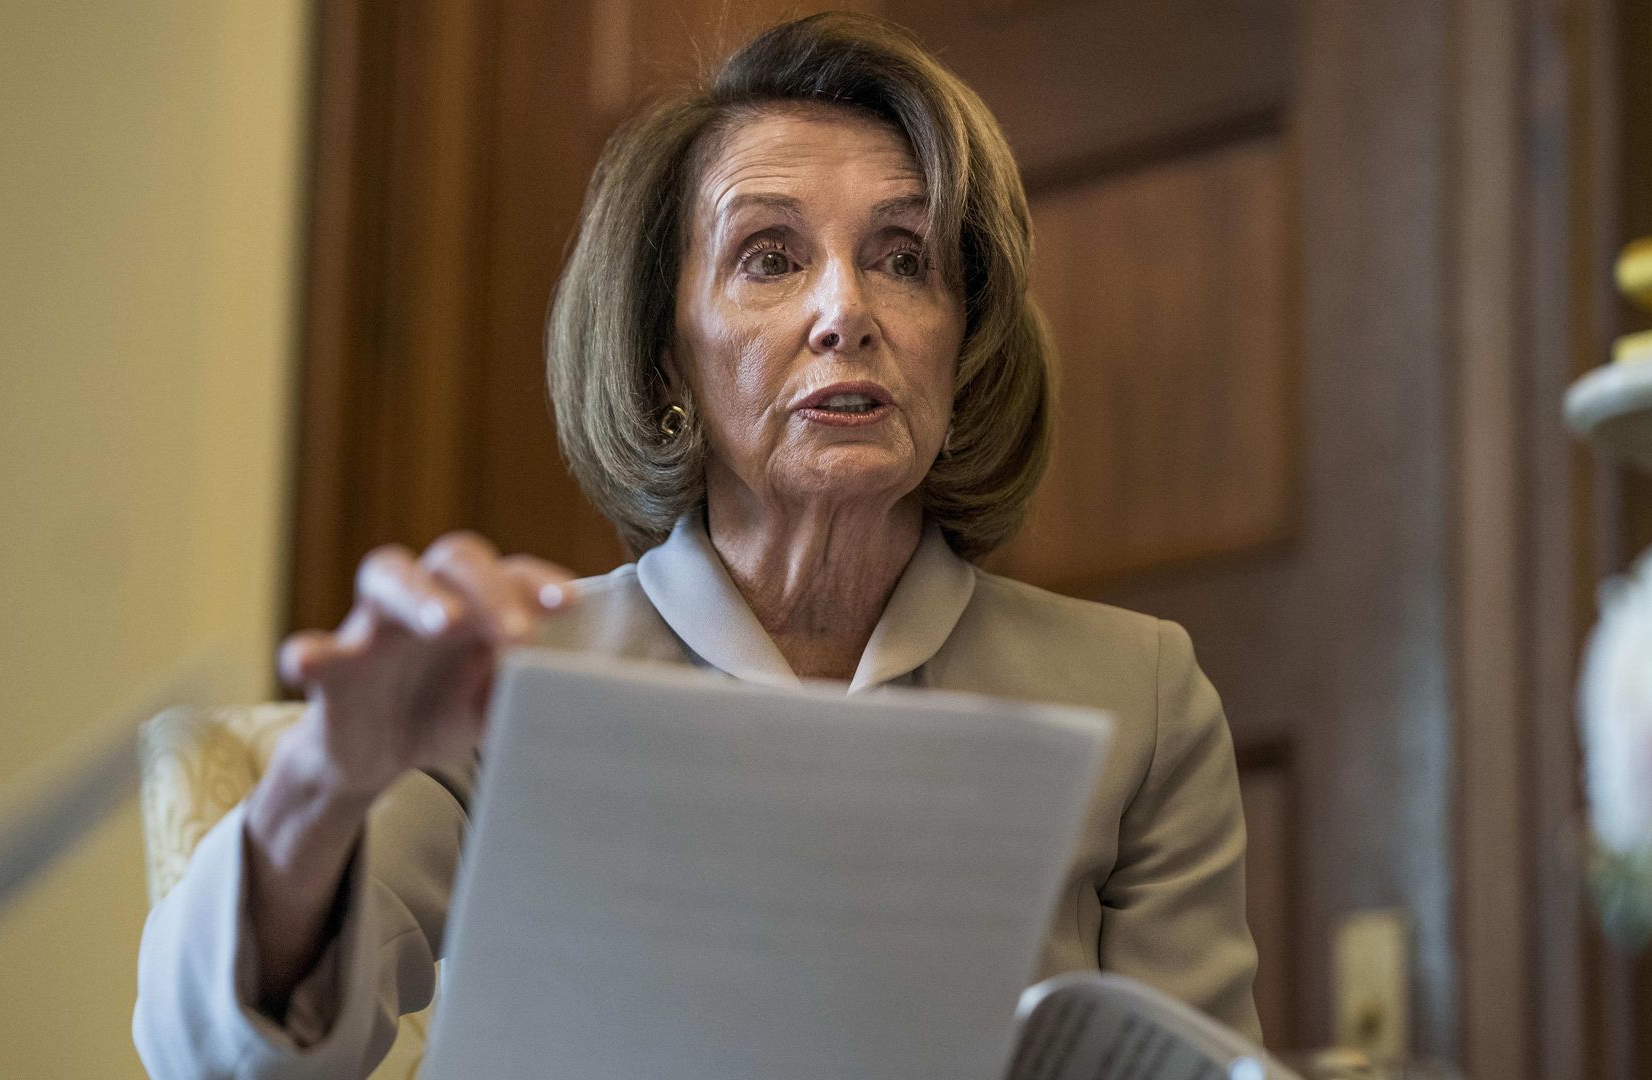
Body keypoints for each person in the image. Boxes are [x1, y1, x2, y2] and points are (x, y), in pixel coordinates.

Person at [133, 11, 1258, 1077]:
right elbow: (217, 1056)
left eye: (904, 257)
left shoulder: (1138, 695)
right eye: (769, 257)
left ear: (964, 345)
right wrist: (327, 779)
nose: (844, 310)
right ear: (666, 356)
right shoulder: (508, 676)